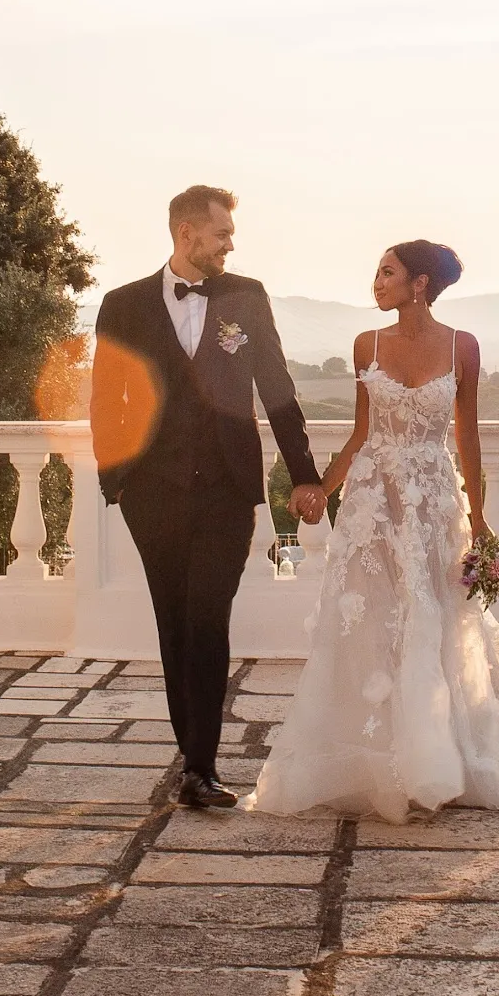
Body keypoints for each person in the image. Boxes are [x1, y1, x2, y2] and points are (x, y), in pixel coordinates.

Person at [251, 240, 499, 822]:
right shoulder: (366, 344)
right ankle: (375, 746)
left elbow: (467, 436)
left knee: (436, 612)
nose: (376, 282)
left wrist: (484, 517)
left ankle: (436, 746)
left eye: (387, 272)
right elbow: (364, 431)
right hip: (375, 501)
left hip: (436, 500)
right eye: (377, 272)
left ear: (419, 283)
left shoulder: (463, 346)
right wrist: (323, 487)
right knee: (371, 613)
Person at [90, 186, 324, 809]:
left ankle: (201, 764)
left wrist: (304, 475)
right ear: (188, 232)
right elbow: (105, 399)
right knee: (173, 623)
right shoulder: (122, 305)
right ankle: (192, 760)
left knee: (207, 616)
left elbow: (276, 388)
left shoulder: (246, 297)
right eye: (222, 233)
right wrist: (116, 480)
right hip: (152, 495)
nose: (230, 243)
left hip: (226, 488)